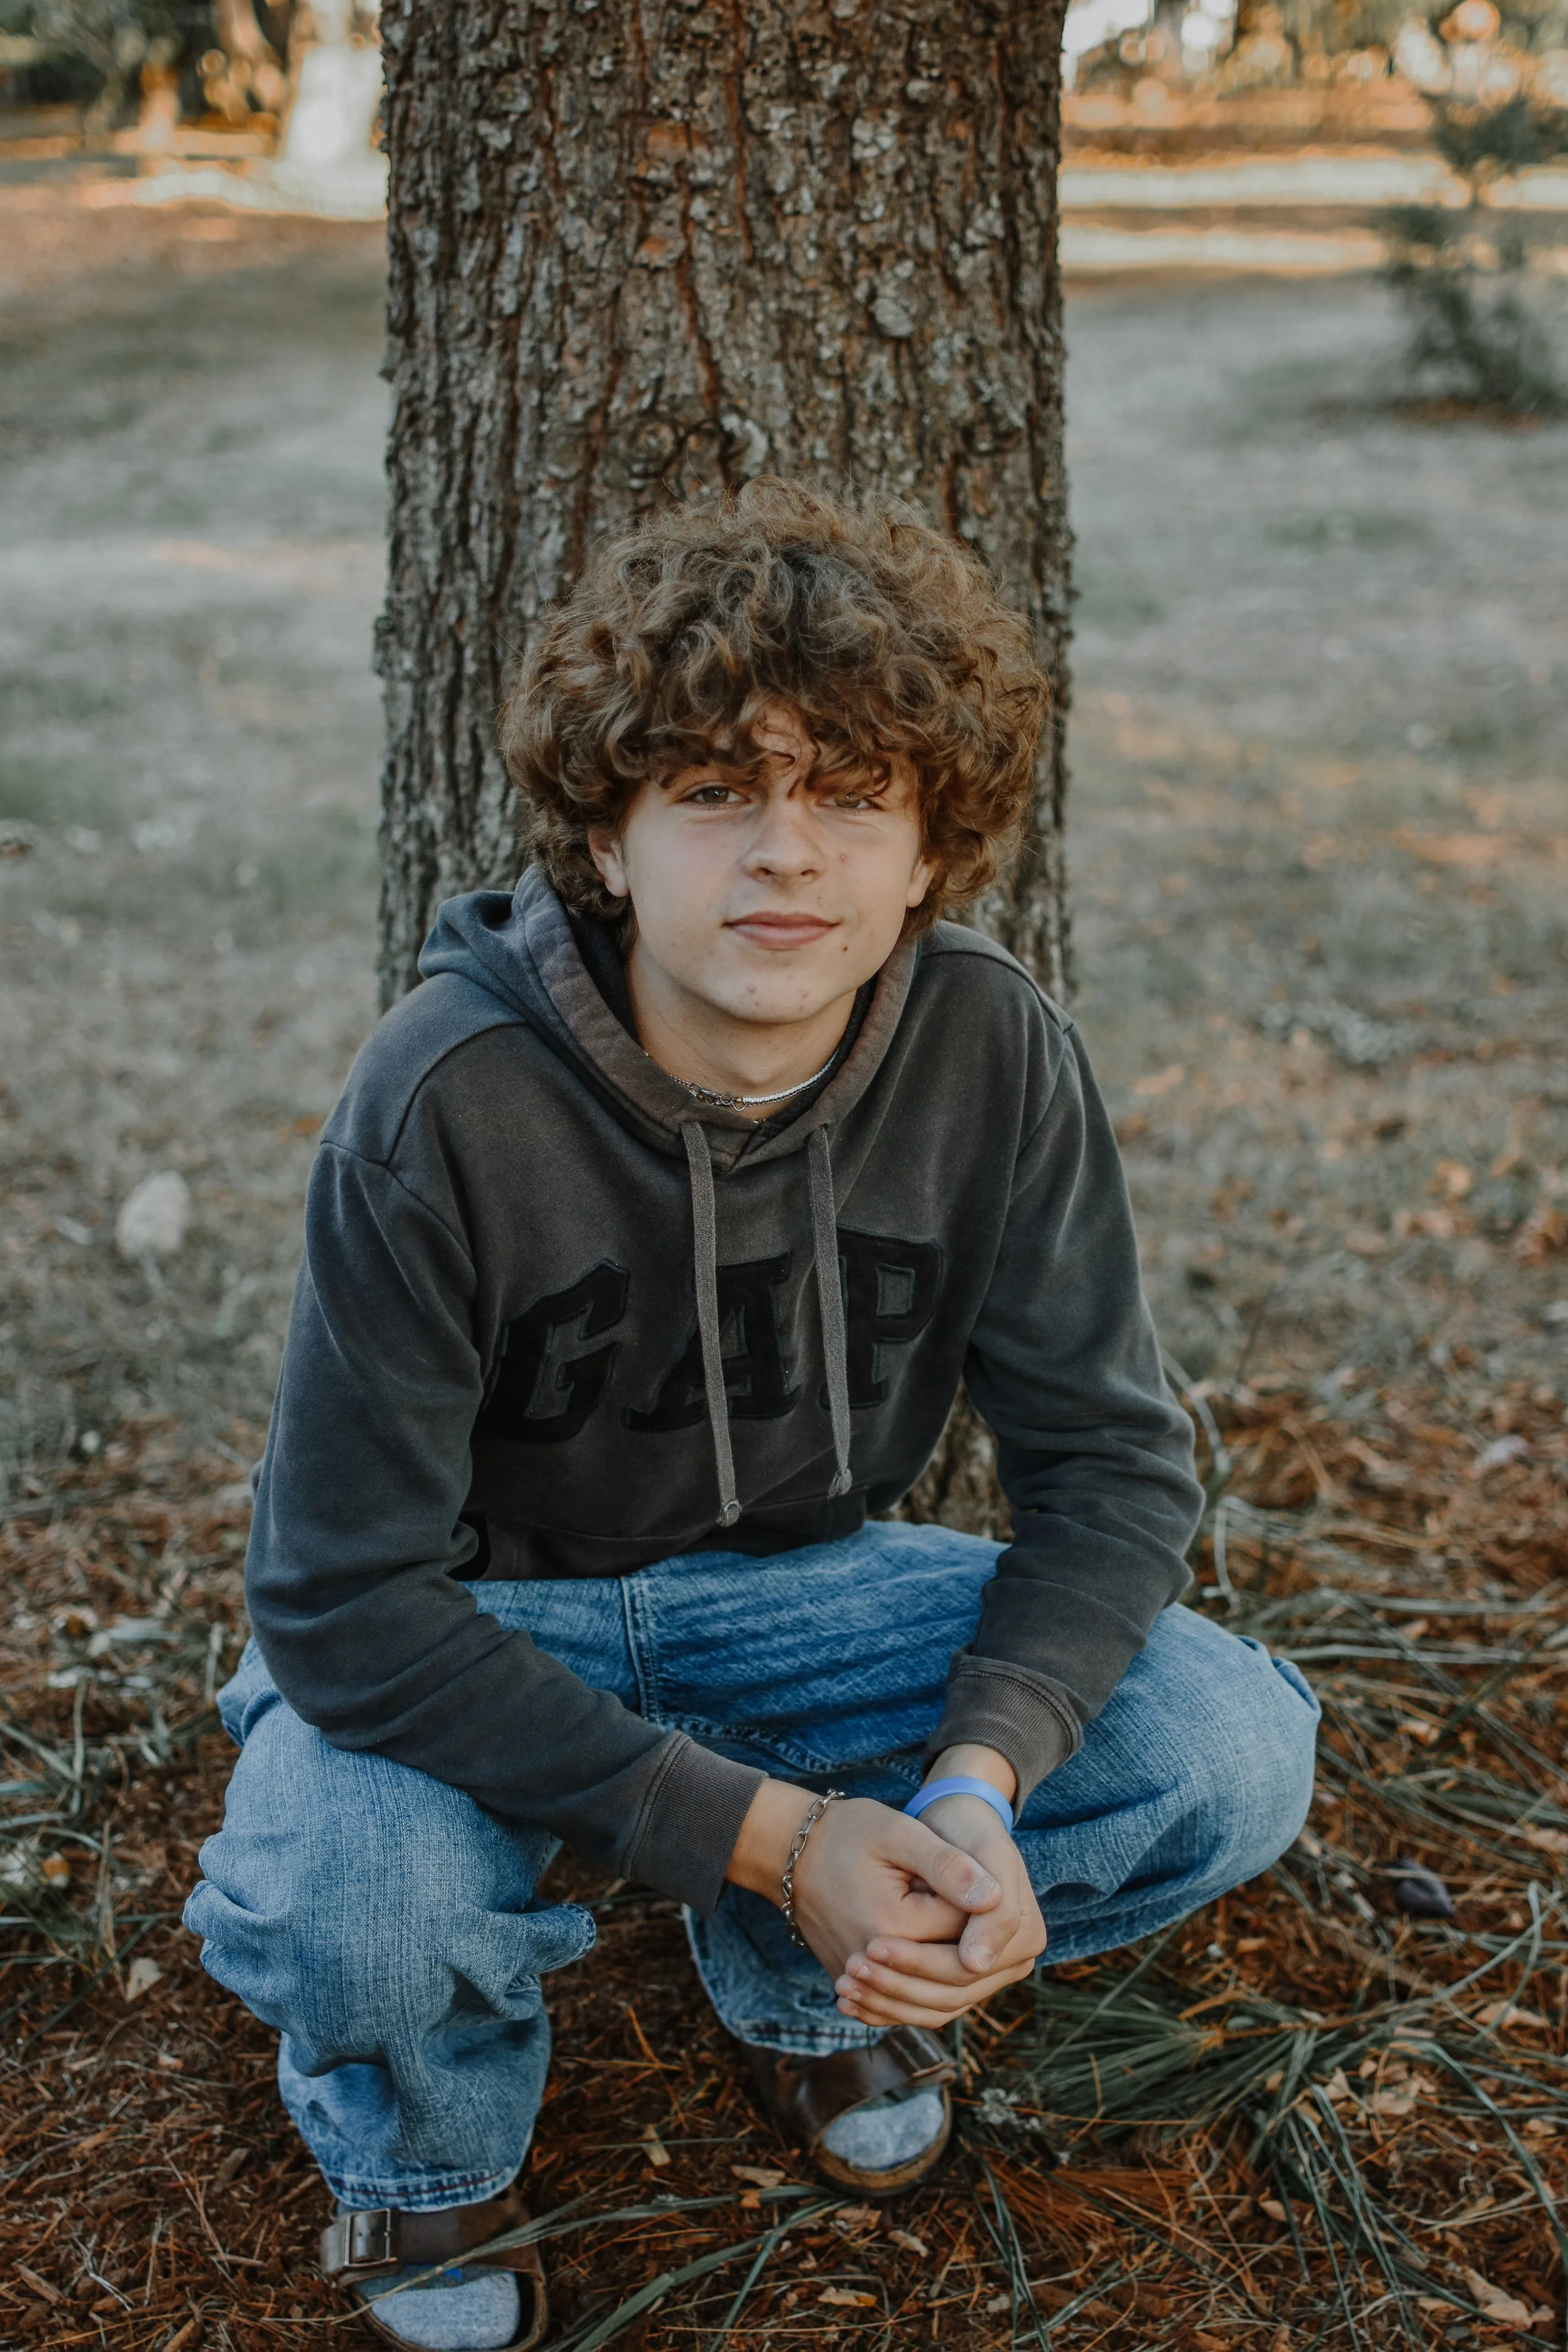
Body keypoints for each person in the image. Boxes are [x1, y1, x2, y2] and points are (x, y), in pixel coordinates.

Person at [186, 481, 1318, 2352]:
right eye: (715, 791)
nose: (784, 855)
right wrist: (780, 1828)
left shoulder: (989, 1049)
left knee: (1225, 1748)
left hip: (814, 1591)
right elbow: (338, 1603)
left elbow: (1108, 1468)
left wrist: (964, 1789)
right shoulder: (447, 1095)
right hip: (483, 1614)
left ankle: (808, 1977)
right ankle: (429, 2143)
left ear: (928, 849)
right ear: (611, 840)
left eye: (850, 796)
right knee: (355, 1904)